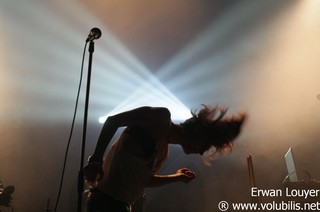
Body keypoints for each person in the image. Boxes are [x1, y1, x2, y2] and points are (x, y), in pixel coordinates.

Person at [83, 105, 246, 212]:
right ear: (200, 133)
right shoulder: (161, 118)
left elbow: (144, 181)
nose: (202, 152)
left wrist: (177, 177)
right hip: (105, 203)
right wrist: (96, 160)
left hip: (119, 206)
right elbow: (113, 121)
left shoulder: (162, 152)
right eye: (206, 145)